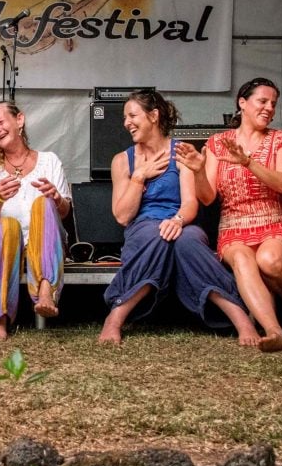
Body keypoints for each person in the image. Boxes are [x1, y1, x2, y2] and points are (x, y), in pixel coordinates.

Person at [99, 89, 258, 346]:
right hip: (143, 225)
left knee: (188, 241)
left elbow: (190, 203)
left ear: (153, 115)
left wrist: (178, 221)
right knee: (156, 236)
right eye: (124, 117)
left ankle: (241, 318)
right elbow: (122, 216)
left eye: (131, 115)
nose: (126, 122)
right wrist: (139, 176)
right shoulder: (122, 161)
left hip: (181, 222)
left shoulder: (181, 153)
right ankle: (115, 318)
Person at [175, 77, 282, 352]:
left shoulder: (280, 139)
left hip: (272, 219)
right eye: (262, 101)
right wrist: (198, 171)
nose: (269, 108)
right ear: (242, 103)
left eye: (273, 104)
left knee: (270, 260)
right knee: (242, 258)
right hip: (233, 225)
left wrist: (248, 162)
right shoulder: (219, 142)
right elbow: (207, 197)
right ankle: (275, 331)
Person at [0, 100, 70, 341]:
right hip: (4, 244)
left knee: (44, 203)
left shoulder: (49, 160)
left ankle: (45, 291)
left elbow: (64, 213)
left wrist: (57, 198)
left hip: (44, 243)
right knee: (8, 224)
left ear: (19, 120)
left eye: (0, 122)